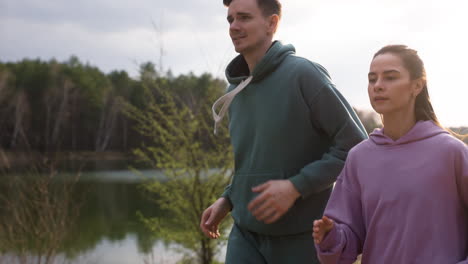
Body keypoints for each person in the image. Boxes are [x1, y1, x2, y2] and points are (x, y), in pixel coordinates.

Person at [199, 0, 368, 263]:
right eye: (230, 20)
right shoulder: (233, 93)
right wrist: (228, 199)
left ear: (272, 23)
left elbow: (356, 146)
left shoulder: (303, 75)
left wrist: (295, 187)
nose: (234, 27)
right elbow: (252, 161)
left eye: (244, 17)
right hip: (245, 236)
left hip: (302, 239)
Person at [313, 45, 468, 263]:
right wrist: (330, 236)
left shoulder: (451, 152)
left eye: (390, 78)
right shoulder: (360, 158)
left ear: (417, 86)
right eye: (372, 79)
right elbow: (348, 240)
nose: (378, 86)